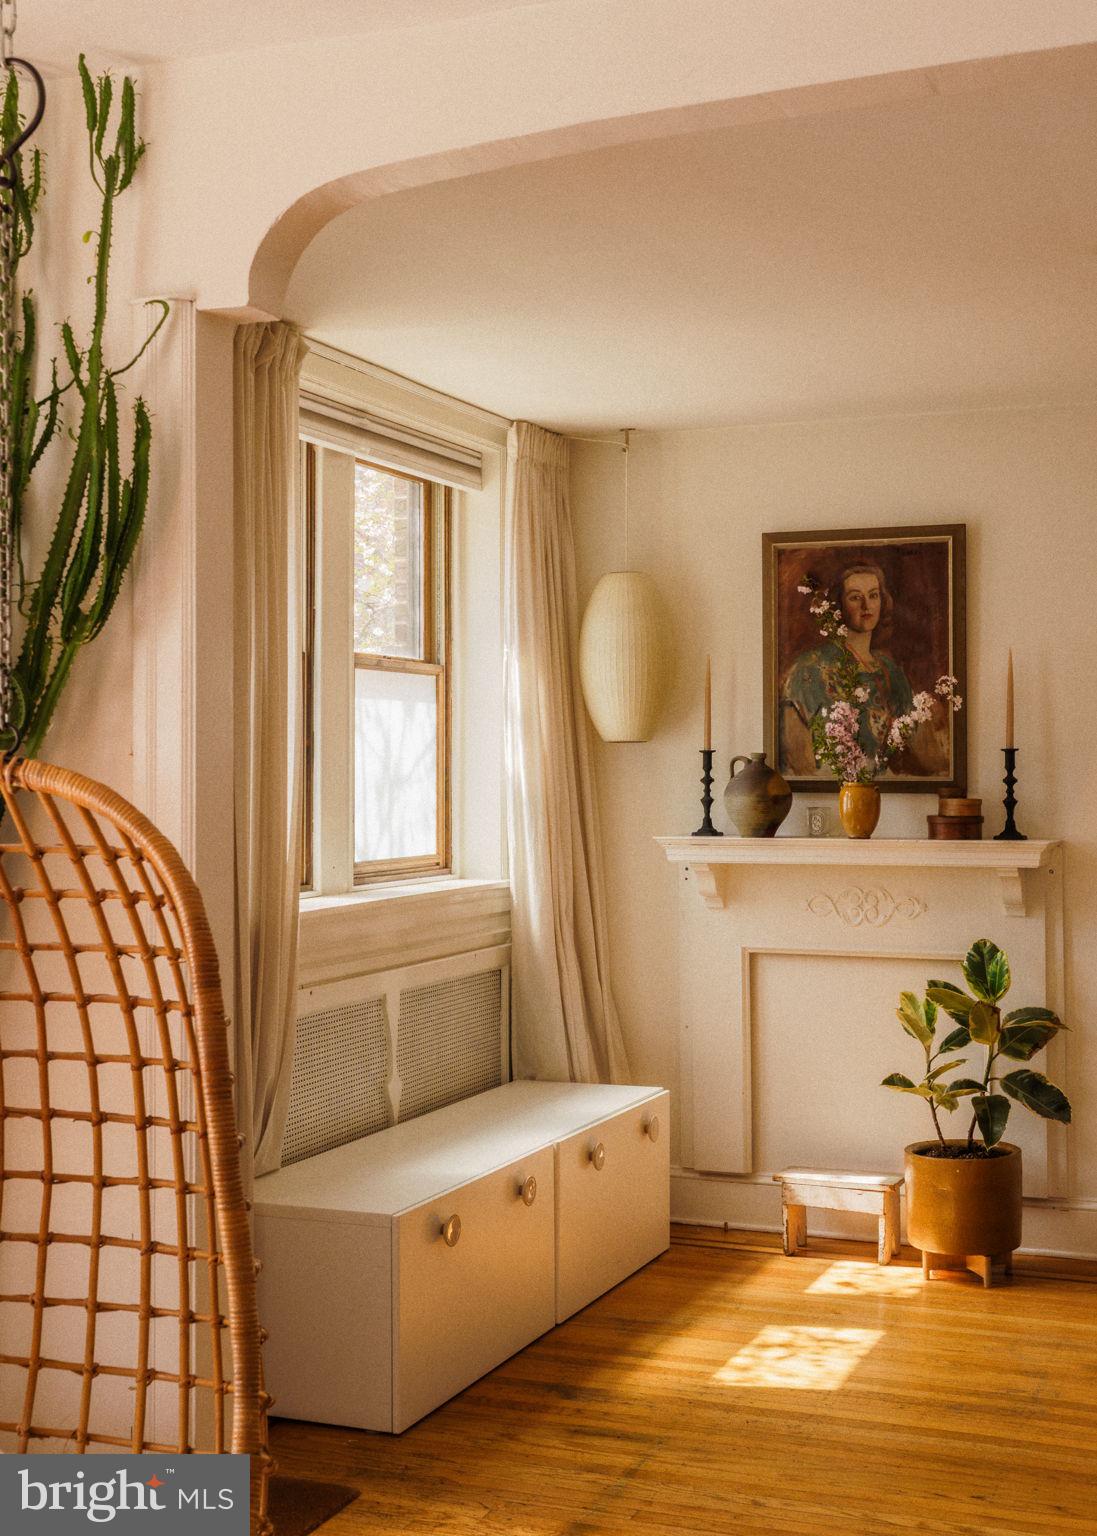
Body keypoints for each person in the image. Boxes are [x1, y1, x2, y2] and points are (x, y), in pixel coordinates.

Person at [780, 561, 915, 776]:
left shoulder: (890, 671)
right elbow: (798, 763)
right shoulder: (809, 668)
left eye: (873, 595)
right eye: (855, 597)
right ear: (839, 604)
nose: (866, 606)